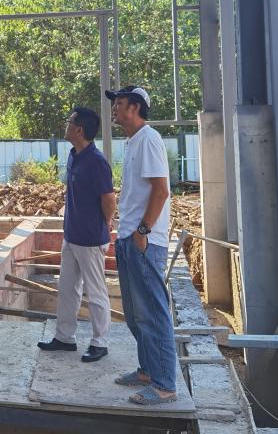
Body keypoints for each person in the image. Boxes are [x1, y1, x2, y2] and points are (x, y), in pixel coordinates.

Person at [106, 86, 178, 406]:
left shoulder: (149, 139)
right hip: (130, 237)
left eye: (120, 104)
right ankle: (148, 371)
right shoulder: (133, 141)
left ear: (135, 108)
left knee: (152, 314)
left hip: (145, 240)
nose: (115, 109)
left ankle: (164, 386)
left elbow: (161, 191)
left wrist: (143, 230)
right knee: (136, 315)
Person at [37, 106, 116, 361]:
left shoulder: (97, 162)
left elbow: (109, 200)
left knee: (95, 292)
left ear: (79, 130)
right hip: (71, 236)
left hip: (91, 239)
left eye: (69, 122)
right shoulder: (74, 155)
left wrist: (105, 224)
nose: (66, 125)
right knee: (68, 289)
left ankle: (100, 343)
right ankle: (64, 337)